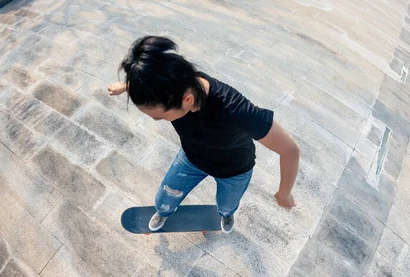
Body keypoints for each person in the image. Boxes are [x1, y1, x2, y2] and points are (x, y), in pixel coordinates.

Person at [108, 36, 300, 233]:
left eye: (160, 117)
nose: (158, 120)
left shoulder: (235, 110)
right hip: (192, 158)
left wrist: (284, 192)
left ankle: (225, 215)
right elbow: (154, 79)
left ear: (188, 99)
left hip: (234, 169)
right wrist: (126, 86)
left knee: (226, 205)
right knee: (164, 199)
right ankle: (163, 212)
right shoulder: (174, 83)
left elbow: (290, 150)